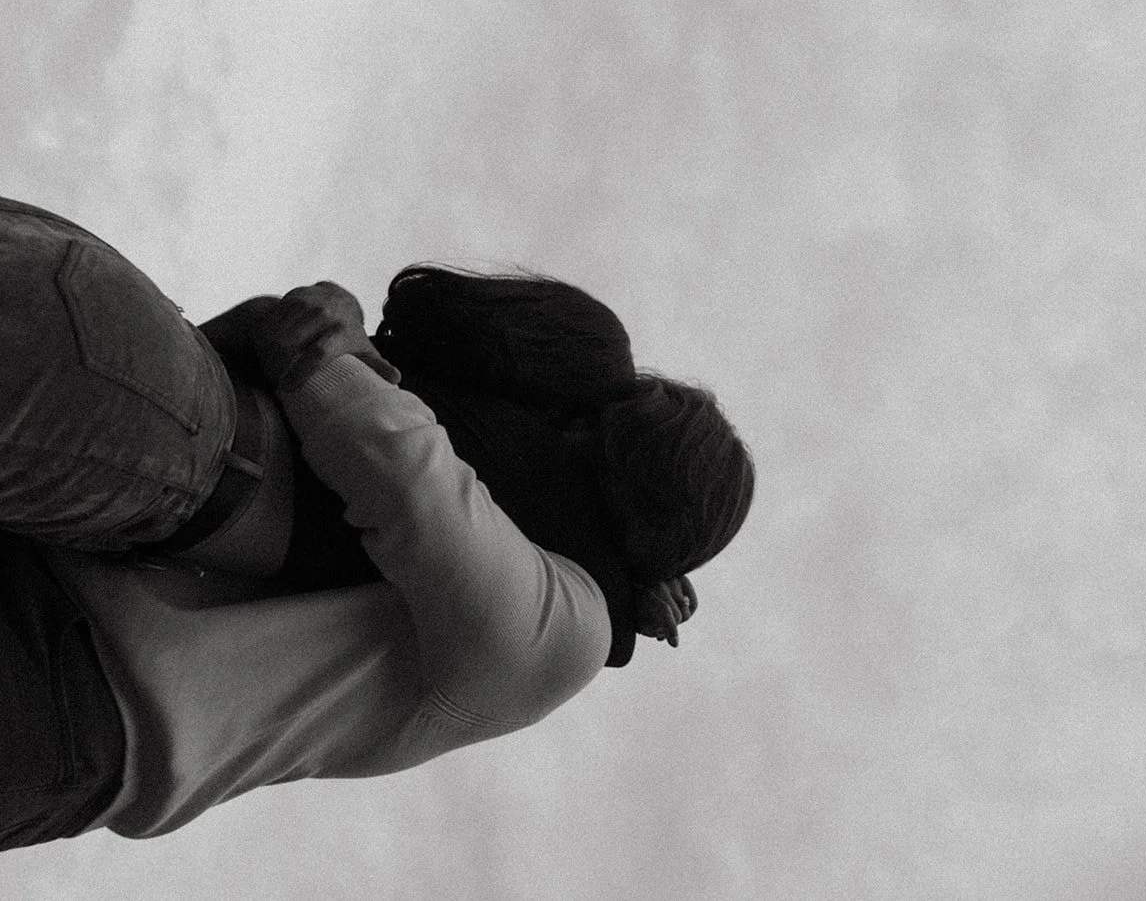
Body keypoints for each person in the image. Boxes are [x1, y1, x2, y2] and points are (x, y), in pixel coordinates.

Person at [0, 196, 755, 850]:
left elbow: (427, 497)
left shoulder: (567, 608)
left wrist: (331, 346)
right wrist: (329, 356)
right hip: (105, 633)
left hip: (132, 459)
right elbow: (412, 483)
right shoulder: (568, 613)